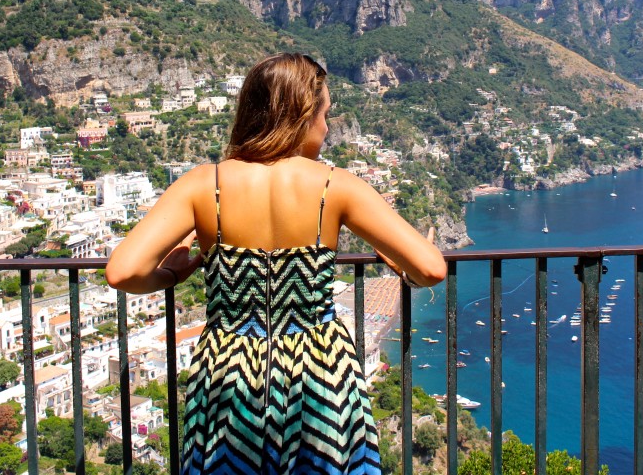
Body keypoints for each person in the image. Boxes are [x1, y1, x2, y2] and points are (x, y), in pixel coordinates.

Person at [106, 53, 446, 474]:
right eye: (325, 114)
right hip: (320, 375)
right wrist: (401, 269)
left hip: (229, 376)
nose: (327, 125)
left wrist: (171, 273)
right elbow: (430, 268)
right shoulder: (334, 185)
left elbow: (123, 272)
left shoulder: (202, 184)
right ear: (303, 115)